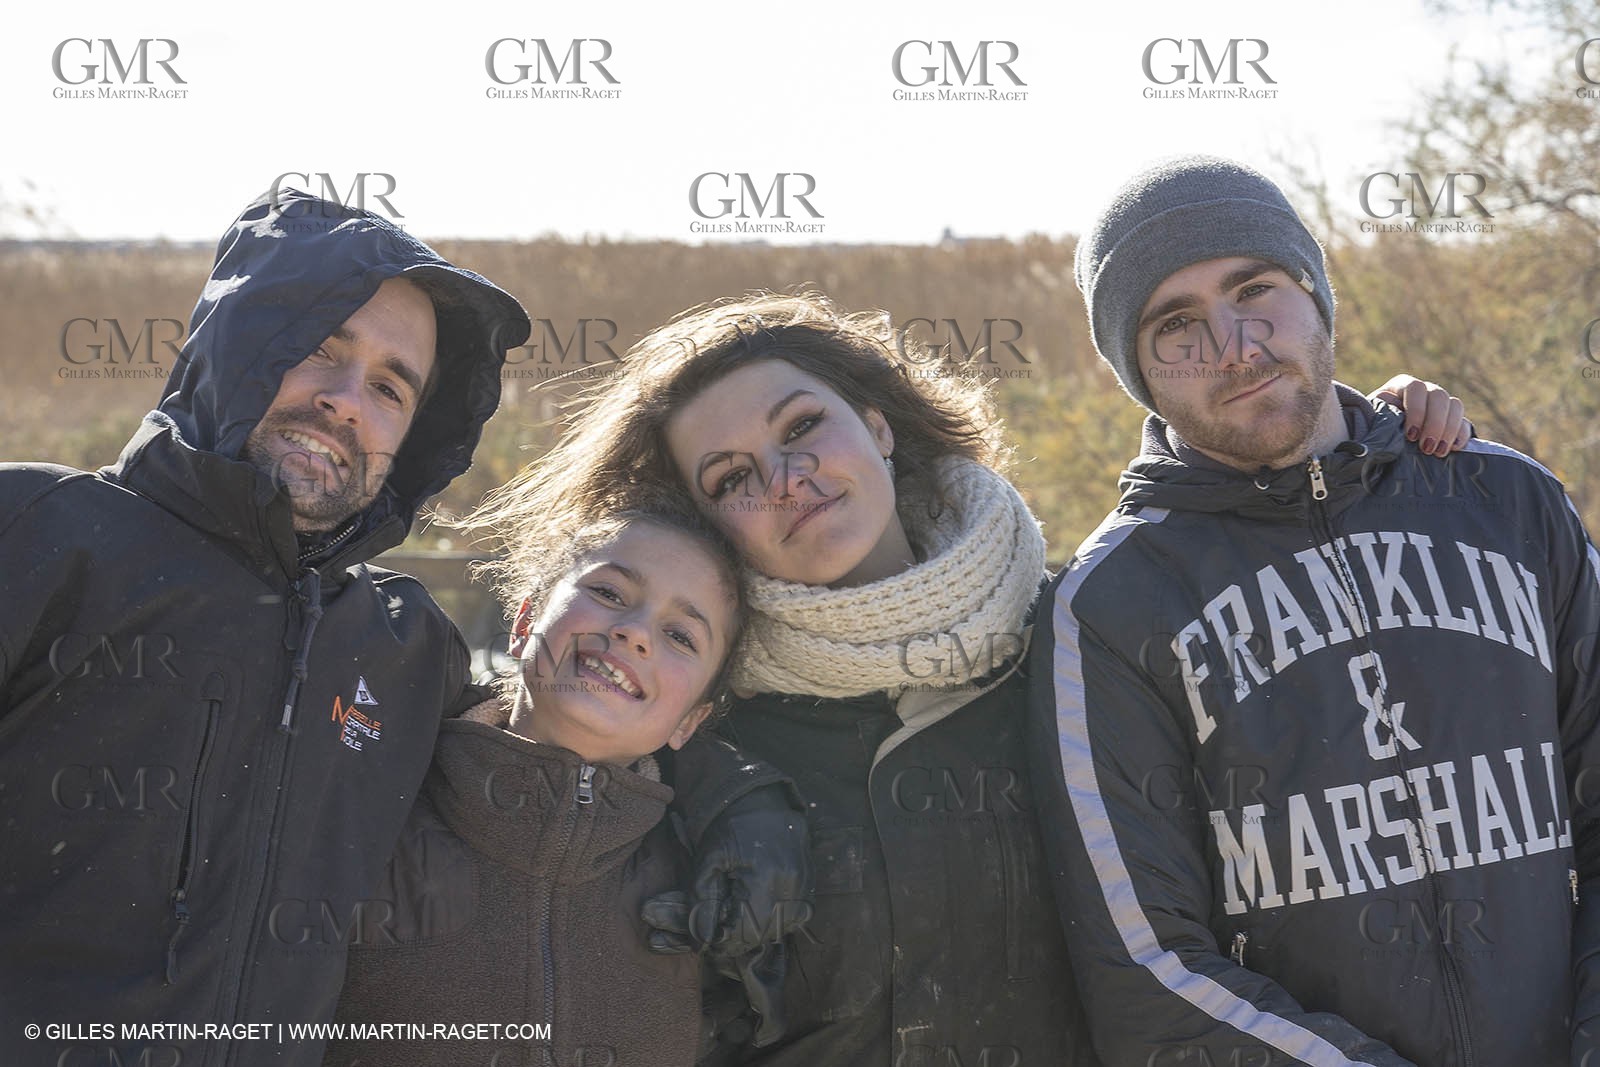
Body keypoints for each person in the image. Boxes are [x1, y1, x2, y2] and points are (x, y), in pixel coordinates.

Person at [476, 286, 1473, 1066]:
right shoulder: (698, 729)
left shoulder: (1091, 634)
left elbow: (1299, 672)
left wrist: (1366, 443)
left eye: (800, 428)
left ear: (875, 422)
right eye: (732, 477)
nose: (785, 477)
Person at [1030, 154, 1600, 1065]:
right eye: (1175, 325)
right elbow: (1146, 966)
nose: (1234, 346)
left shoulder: (1509, 505)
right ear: (1137, 371)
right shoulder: (1113, 604)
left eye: (1254, 289)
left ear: (1314, 290)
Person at [0, 187, 531, 1067]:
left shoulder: (409, 650)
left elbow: (565, 767)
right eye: (320, 347)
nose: (347, 401)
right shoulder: (37, 534)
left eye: (392, 388)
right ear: (231, 342)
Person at [324, 496, 747, 1067]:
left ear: (690, 720)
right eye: (609, 593)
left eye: (682, 636)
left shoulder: (704, 890)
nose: (635, 632)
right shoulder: (369, 809)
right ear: (525, 624)